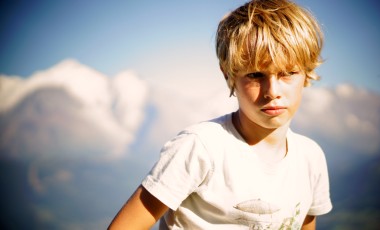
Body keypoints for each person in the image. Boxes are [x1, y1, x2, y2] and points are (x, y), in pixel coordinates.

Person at [109, 0, 332, 229]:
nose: (272, 92)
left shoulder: (310, 158)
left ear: (307, 73)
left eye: (288, 73)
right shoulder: (200, 148)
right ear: (229, 75)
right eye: (256, 75)